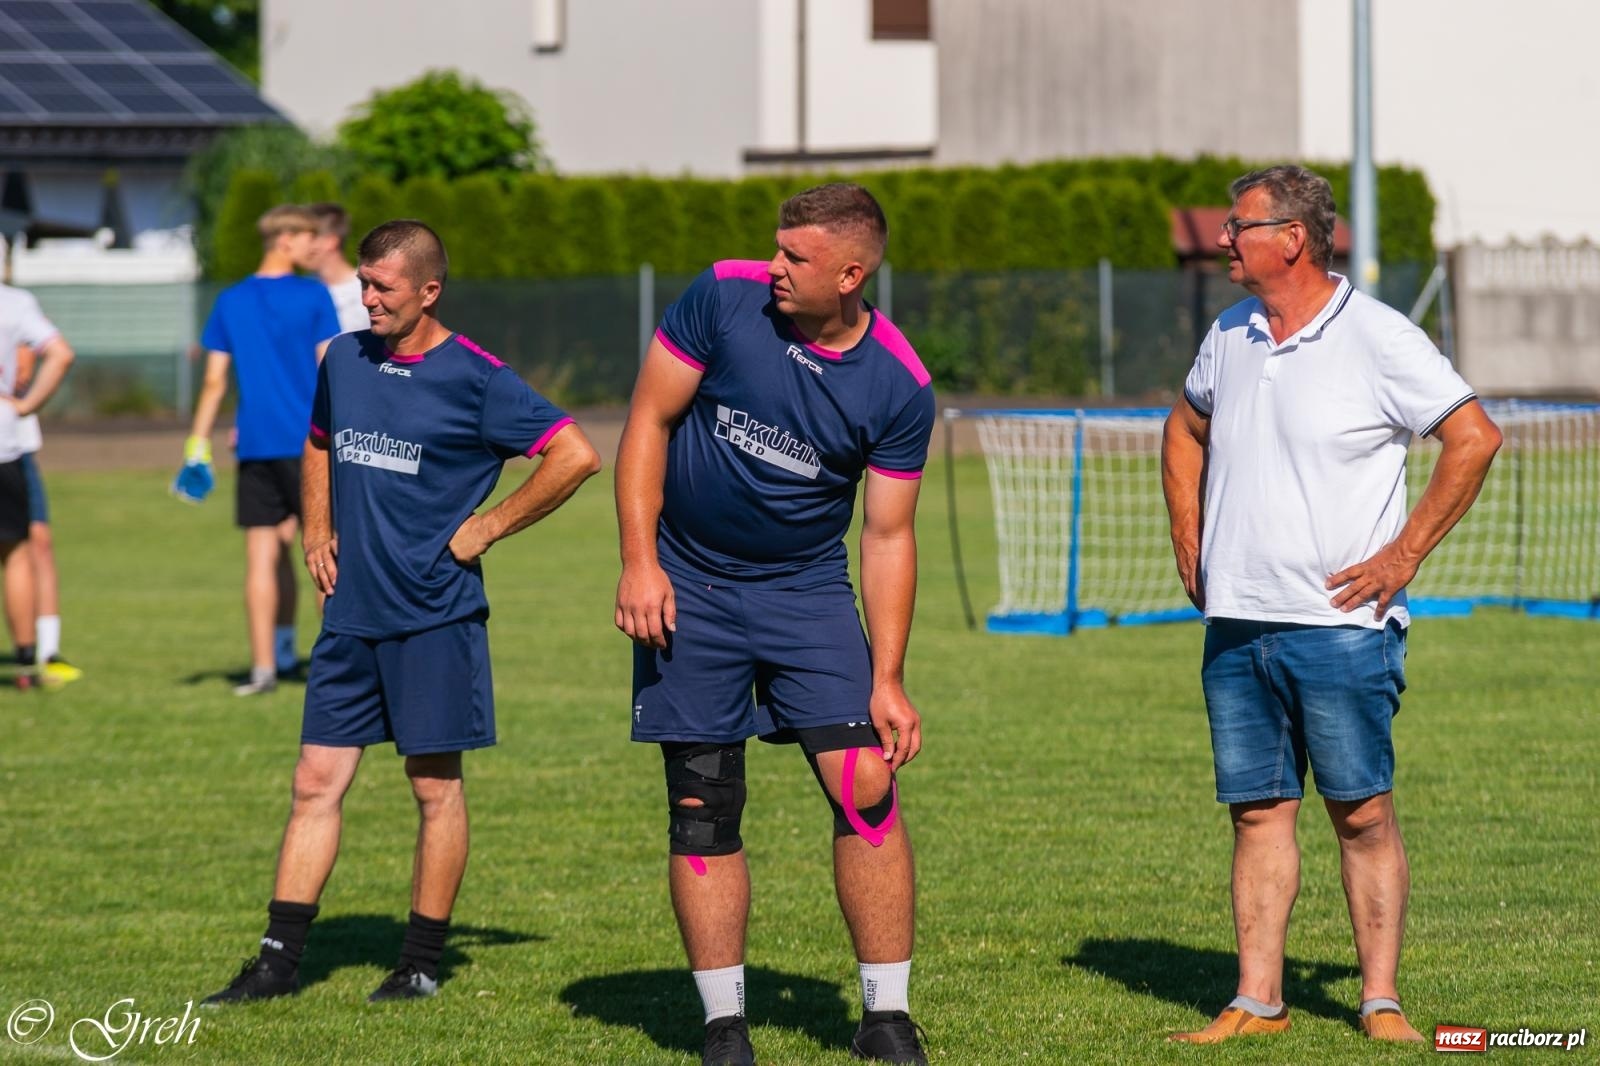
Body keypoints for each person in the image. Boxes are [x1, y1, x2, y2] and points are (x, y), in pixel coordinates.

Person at [202, 219, 600, 1006]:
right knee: (315, 780)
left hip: (434, 617)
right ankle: (278, 964)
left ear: (429, 290)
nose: (366, 297)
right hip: (350, 615)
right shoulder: (345, 358)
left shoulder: (478, 378)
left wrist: (487, 526)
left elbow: (575, 453)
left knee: (432, 787)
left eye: (382, 287)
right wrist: (316, 526)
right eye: (362, 282)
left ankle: (419, 963)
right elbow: (317, 442)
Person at [1160, 165, 1502, 1045]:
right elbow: (1185, 425)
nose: (1225, 239)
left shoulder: (1381, 338)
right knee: (1257, 814)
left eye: (1239, 226)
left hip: (1344, 630)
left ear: (1292, 238)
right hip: (1237, 624)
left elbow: (1473, 437)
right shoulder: (1229, 331)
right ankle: (1257, 1001)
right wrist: (1190, 541)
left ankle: (1380, 1001)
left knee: (1363, 812)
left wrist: (1403, 554)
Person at [615, 183, 934, 1066]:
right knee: (701, 802)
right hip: (691, 585)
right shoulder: (722, 296)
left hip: (805, 592)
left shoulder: (900, 384)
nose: (776, 269)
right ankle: (724, 1029)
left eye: (795, 258)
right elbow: (648, 419)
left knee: (867, 786)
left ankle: (886, 1018)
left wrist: (889, 675)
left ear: (851, 272)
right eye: (776, 250)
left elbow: (888, 532)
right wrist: (641, 562)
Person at [178, 204, 341, 695]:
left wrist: (196, 444)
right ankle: (338, 671)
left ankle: (266, 668)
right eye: (308, 238)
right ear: (285, 239)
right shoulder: (314, 296)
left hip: (254, 446)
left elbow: (212, 383)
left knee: (263, 558)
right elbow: (329, 369)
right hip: (310, 445)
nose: (315, 247)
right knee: (326, 555)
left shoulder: (230, 300)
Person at [0, 294, 75, 688]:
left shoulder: (16, 305)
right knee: (18, 552)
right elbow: (60, 353)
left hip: (13, 444)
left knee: (31, 546)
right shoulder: (14, 304)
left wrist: (24, 402)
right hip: (6, 443)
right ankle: (30, 660)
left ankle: (40, 653)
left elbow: (50, 354)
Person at [12, 343, 81, 687]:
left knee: (38, 542)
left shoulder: (16, 307)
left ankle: (47, 652)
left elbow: (30, 364)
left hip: (15, 448)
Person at [308, 202, 369, 334]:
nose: (302, 246)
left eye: (311, 238)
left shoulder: (366, 292)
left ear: (331, 241)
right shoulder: (302, 288)